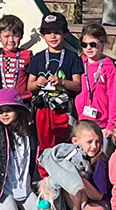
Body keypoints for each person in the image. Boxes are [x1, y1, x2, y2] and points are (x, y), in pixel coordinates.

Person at [28, 11, 83, 147]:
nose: (52, 36)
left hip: (63, 109)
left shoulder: (72, 57)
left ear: (65, 33)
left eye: (57, 32)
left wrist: (61, 82)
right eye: (48, 32)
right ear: (43, 35)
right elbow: (29, 86)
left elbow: (77, 85)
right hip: (43, 109)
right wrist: (37, 83)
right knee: (43, 144)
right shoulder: (37, 58)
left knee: (64, 144)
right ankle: (43, 168)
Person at [41, 120, 111, 210]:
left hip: (101, 201)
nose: (94, 146)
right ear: (75, 141)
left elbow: (99, 196)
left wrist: (79, 179)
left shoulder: (99, 161)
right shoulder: (71, 157)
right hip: (78, 203)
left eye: (98, 142)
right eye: (89, 142)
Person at [74, 23, 116, 137]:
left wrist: (111, 124)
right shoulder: (78, 62)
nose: (88, 48)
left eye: (93, 44)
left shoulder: (108, 66)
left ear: (103, 45)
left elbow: (113, 96)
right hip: (81, 120)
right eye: (84, 45)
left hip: (102, 124)